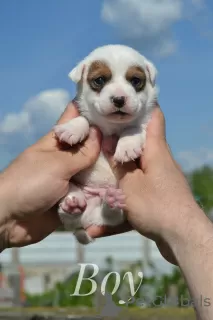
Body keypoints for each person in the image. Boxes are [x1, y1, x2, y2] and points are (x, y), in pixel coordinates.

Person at [0, 101, 212, 319]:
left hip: (107, 196)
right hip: (85, 192)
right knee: (79, 201)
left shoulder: (133, 126)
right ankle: (80, 206)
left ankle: (97, 207)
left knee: (109, 208)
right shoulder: (88, 120)